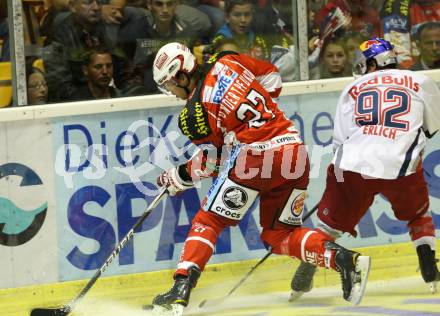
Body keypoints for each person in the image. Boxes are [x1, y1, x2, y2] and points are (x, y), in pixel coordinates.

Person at [143, 42, 371, 315]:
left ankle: (180, 291)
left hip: (255, 158)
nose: (172, 92)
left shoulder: (194, 114)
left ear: (180, 76)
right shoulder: (228, 61)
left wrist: (179, 176)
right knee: (279, 234)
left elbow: (214, 161)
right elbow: (272, 76)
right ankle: (344, 259)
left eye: (169, 85)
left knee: (209, 220)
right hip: (293, 151)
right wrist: (259, 118)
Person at [290, 38, 440, 302]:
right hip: (400, 165)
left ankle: (307, 270)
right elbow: (430, 127)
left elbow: (340, 140)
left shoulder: (352, 87)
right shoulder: (421, 81)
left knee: (329, 224)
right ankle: (429, 266)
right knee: (418, 216)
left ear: (374, 62)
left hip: (354, 164)